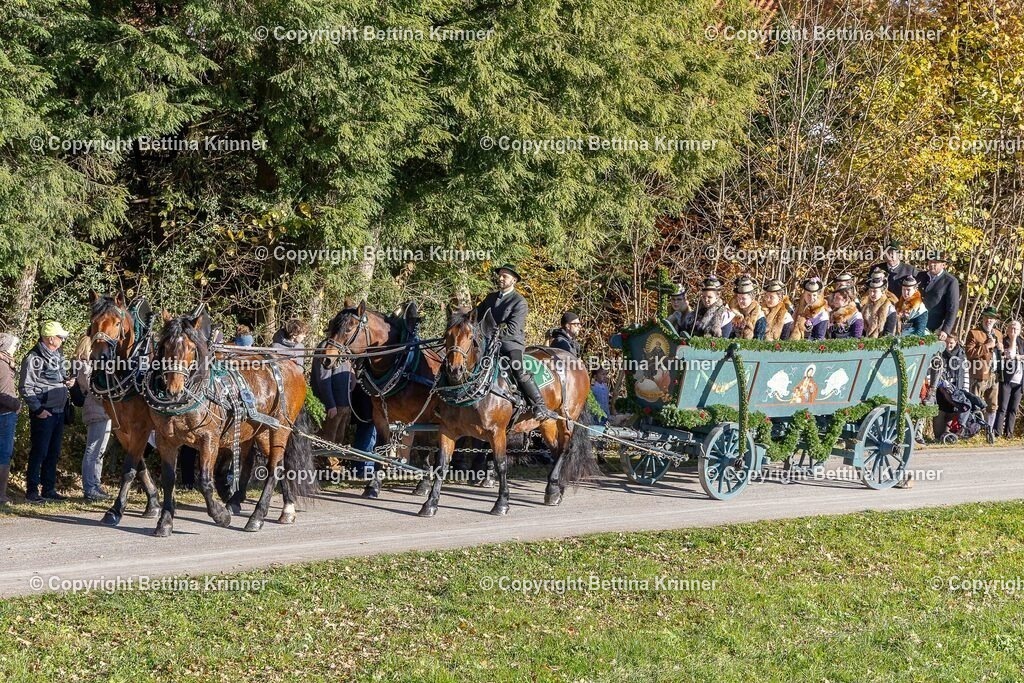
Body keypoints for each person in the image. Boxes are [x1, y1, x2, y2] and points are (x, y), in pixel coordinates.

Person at [474, 264, 556, 421]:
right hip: (487, 343)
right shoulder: (490, 298)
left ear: (514, 280)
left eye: (505, 276)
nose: (501, 278)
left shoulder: (519, 302)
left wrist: (489, 335)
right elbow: (476, 316)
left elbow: (511, 330)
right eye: (500, 275)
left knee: (518, 369)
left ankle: (539, 406)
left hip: (510, 344)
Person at [19, 320, 75, 503]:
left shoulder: (58, 354)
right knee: (39, 452)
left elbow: (61, 377)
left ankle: (48, 489)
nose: (62, 340)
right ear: (50, 338)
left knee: (53, 452)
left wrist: (68, 381)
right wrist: (38, 410)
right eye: (60, 337)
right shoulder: (33, 357)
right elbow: (26, 387)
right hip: (44, 413)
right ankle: (32, 491)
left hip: (59, 412)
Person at [74, 337, 112, 501]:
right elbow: (93, 388)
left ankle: (95, 484)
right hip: (96, 410)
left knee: (100, 452)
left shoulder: (93, 365)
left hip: (105, 411)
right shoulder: (82, 365)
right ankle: (89, 488)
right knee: (92, 450)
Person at [965, 307, 1003, 428]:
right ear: (983, 318)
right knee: (975, 403)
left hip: (995, 374)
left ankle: (989, 430)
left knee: (993, 405)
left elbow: (1000, 355)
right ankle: (973, 429)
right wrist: (986, 346)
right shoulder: (974, 333)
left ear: (995, 320)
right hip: (979, 374)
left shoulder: (998, 334)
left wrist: (1001, 350)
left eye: (991, 318)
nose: (989, 320)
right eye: (986, 317)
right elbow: (969, 353)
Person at [930, 334, 970, 441]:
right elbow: (932, 371)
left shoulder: (961, 355)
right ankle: (938, 437)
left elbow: (965, 373)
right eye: (946, 343)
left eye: (951, 343)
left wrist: (965, 391)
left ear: (956, 343)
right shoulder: (938, 354)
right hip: (941, 389)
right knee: (940, 412)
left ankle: (948, 436)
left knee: (952, 413)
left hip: (956, 389)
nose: (949, 345)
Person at [0, 332, 21, 505]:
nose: (15, 349)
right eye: (14, 345)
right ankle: (1, 495)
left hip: (5, 412)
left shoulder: (5, 362)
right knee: (4, 454)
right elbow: (2, 393)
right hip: (5, 413)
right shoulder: (2, 364)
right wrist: (17, 405)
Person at [918, 252, 960, 340]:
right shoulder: (920, 276)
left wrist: (946, 329)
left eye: (935, 262)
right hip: (917, 323)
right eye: (930, 262)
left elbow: (953, 308)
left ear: (943, 265)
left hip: (936, 327)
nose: (932, 264)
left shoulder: (951, 281)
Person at [995, 319, 1023, 438]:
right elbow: (1008, 355)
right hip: (1006, 379)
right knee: (1002, 408)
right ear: (1007, 329)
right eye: (1011, 328)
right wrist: (1012, 340)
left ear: (1020, 330)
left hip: (1019, 381)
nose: (1013, 330)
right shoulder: (1004, 341)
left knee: (1013, 409)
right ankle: (997, 432)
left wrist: (1018, 356)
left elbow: (1014, 357)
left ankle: (1009, 434)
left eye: (1016, 328)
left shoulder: (1022, 342)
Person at [860, 273, 898, 337]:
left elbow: (888, 333)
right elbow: (862, 330)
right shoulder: (866, 307)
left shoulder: (889, 308)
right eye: (870, 291)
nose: (872, 294)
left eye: (875, 291)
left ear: (882, 292)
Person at [730, 275, 767, 340]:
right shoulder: (733, 313)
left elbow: (758, 341)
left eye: (744, 299)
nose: (740, 301)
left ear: (752, 298)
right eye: (738, 298)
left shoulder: (759, 317)